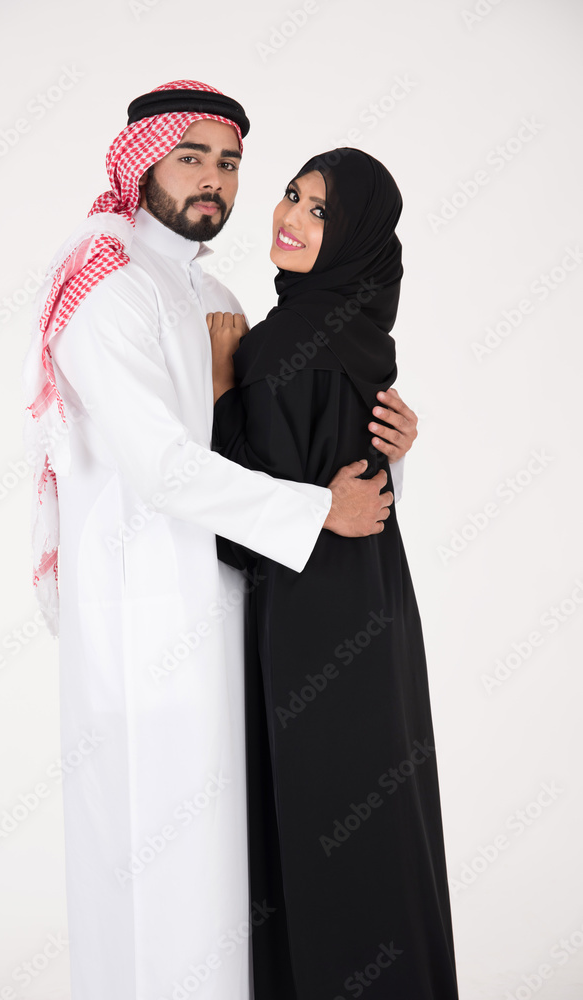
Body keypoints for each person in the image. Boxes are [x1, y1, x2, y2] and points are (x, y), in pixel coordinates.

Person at [22, 82, 418, 1000]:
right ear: (141, 161)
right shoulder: (105, 280)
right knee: (149, 871)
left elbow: (280, 446)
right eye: (190, 155)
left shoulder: (218, 293)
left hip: (235, 616)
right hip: (142, 627)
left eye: (230, 162)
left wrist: (393, 446)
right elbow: (161, 467)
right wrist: (318, 512)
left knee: (224, 888)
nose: (213, 178)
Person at [208, 149, 459, 998]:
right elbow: (343, 486)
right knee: (379, 826)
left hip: (310, 624)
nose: (290, 216)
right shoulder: (360, 338)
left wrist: (217, 390)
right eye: (292, 195)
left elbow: (241, 528)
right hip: (371, 609)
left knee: (321, 836)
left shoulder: (283, 347)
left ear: (352, 238)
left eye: (320, 210)